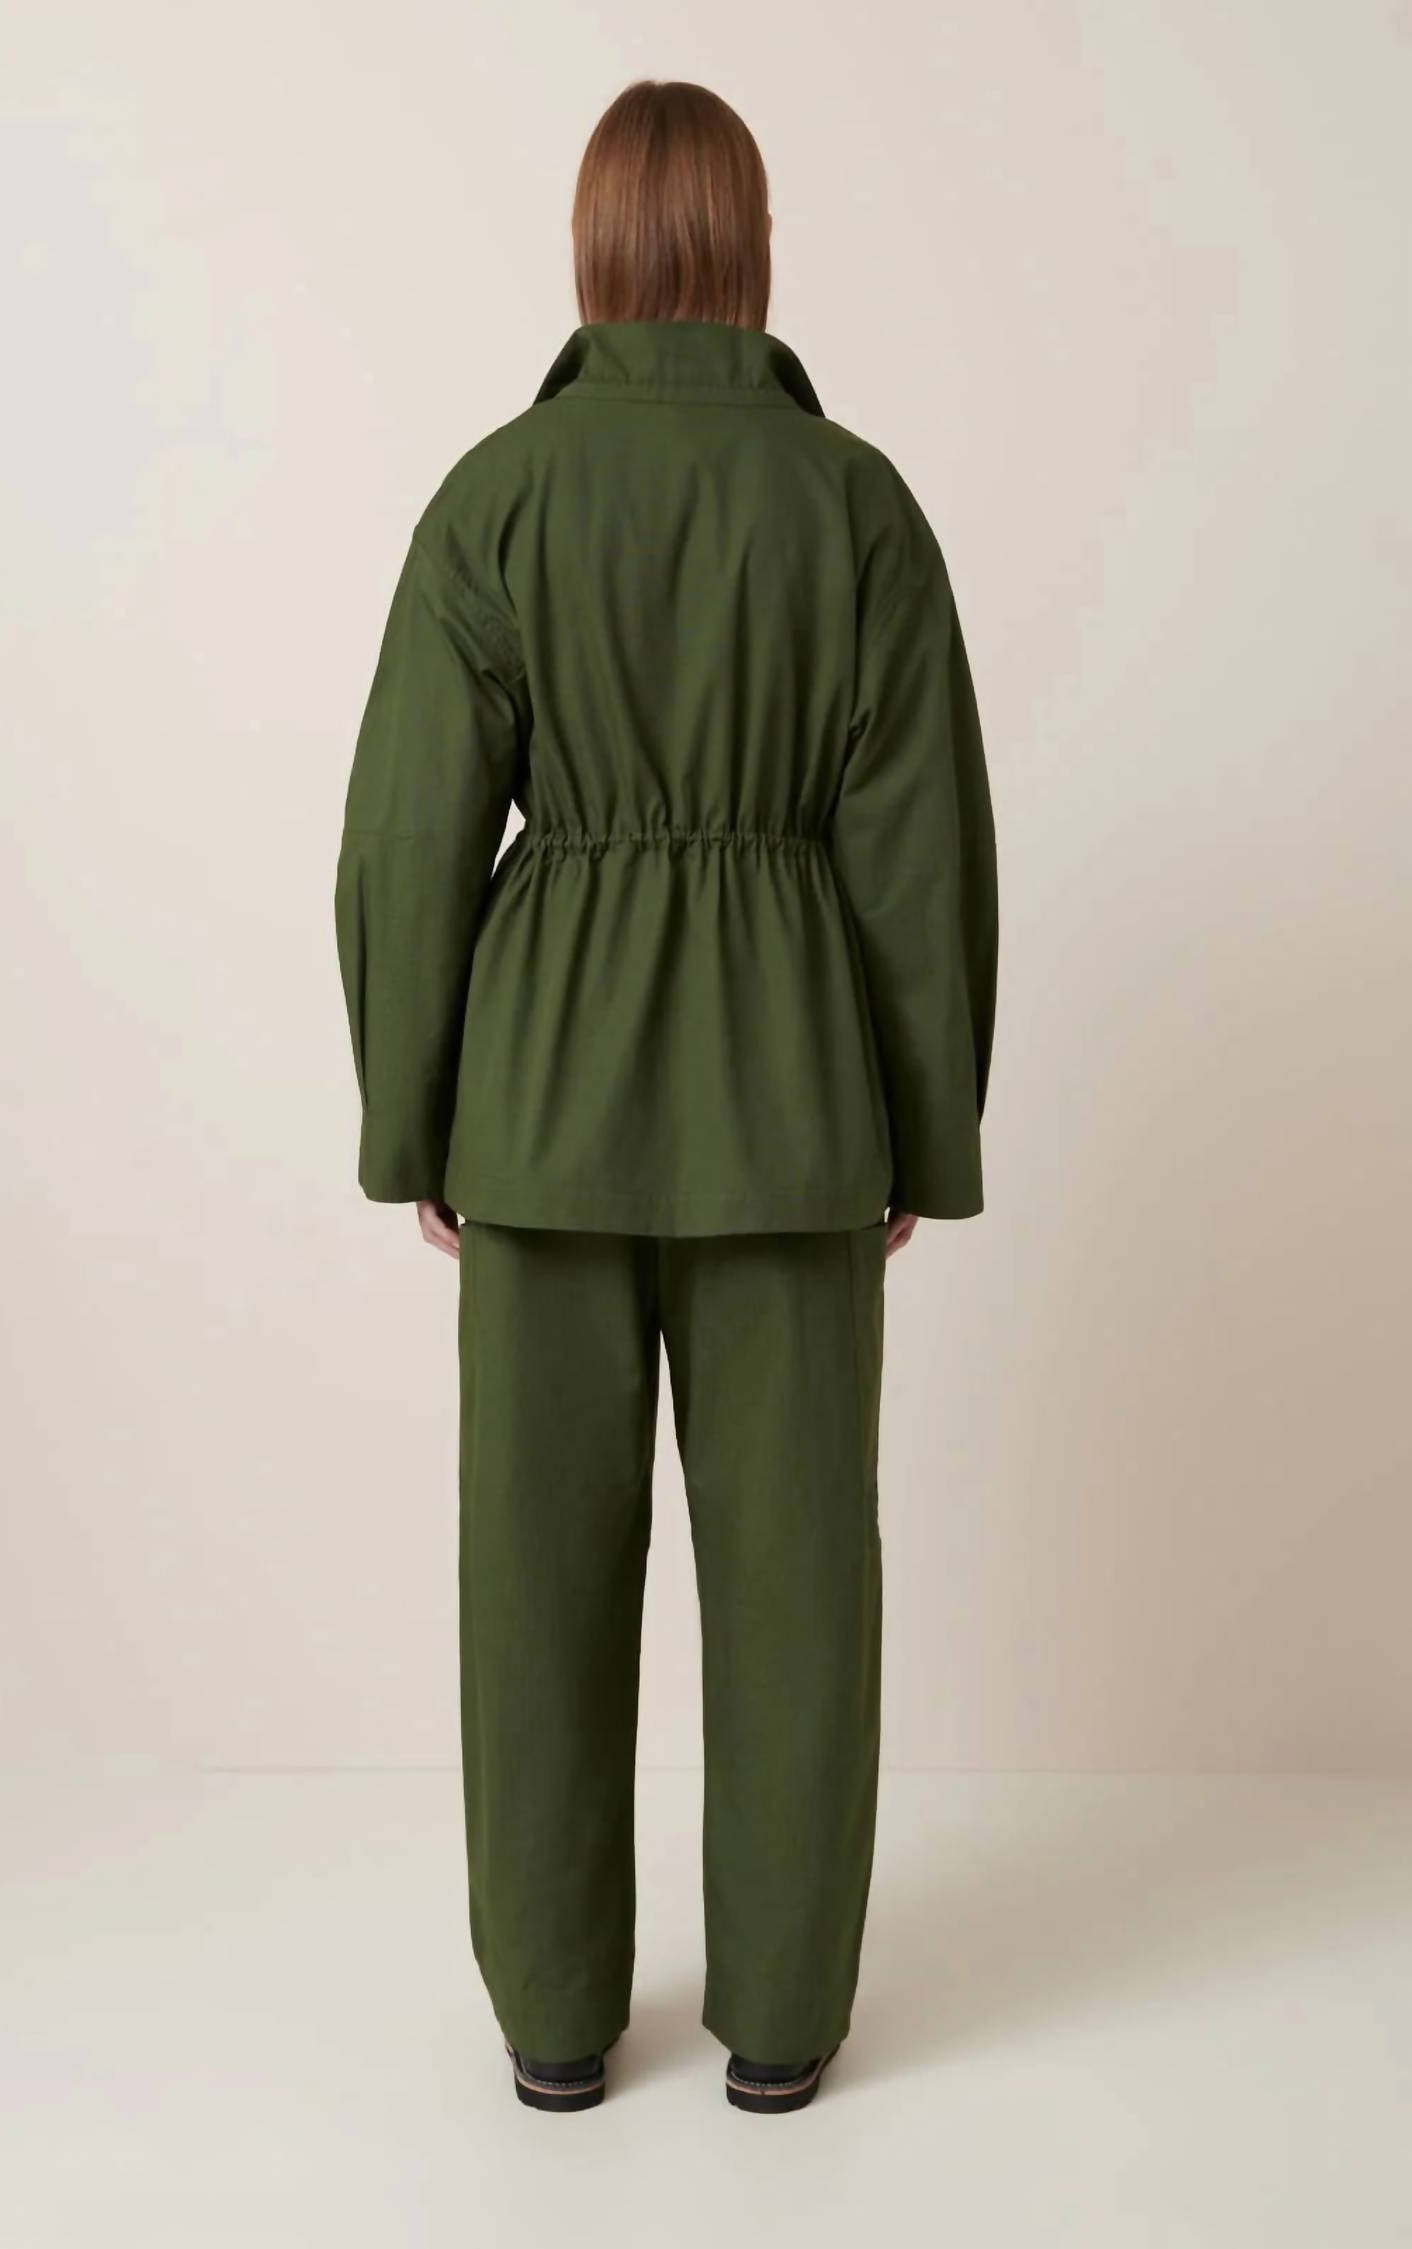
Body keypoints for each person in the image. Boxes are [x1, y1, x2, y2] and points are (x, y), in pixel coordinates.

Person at [335, 78, 997, 2116]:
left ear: (591, 249)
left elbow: (407, 839)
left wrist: (413, 1114)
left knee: (533, 1581)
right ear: (756, 249)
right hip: (794, 1109)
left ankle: (553, 2020)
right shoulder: (855, 506)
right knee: (801, 1584)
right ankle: (782, 2021)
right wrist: (919, 1124)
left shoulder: (498, 498)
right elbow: (922, 853)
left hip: (538, 1112)